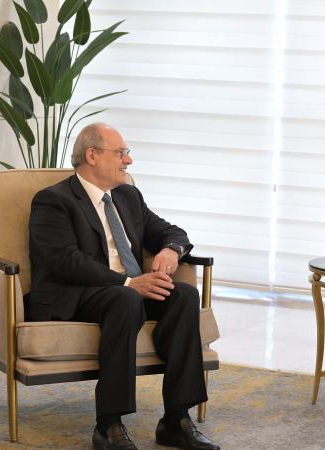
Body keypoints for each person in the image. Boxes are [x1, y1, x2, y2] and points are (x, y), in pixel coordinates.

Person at [27, 123, 219, 450]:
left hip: (124, 290)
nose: (128, 160)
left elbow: (172, 231)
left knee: (183, 295)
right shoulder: (53, 200)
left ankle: (176, 420)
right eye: (121, 153)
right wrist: (129, 282)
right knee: (125, 299)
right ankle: (109, 425)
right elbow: (65, 261)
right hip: (76, 293)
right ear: (92, 155)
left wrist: (171, 250)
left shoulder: (127, 195)